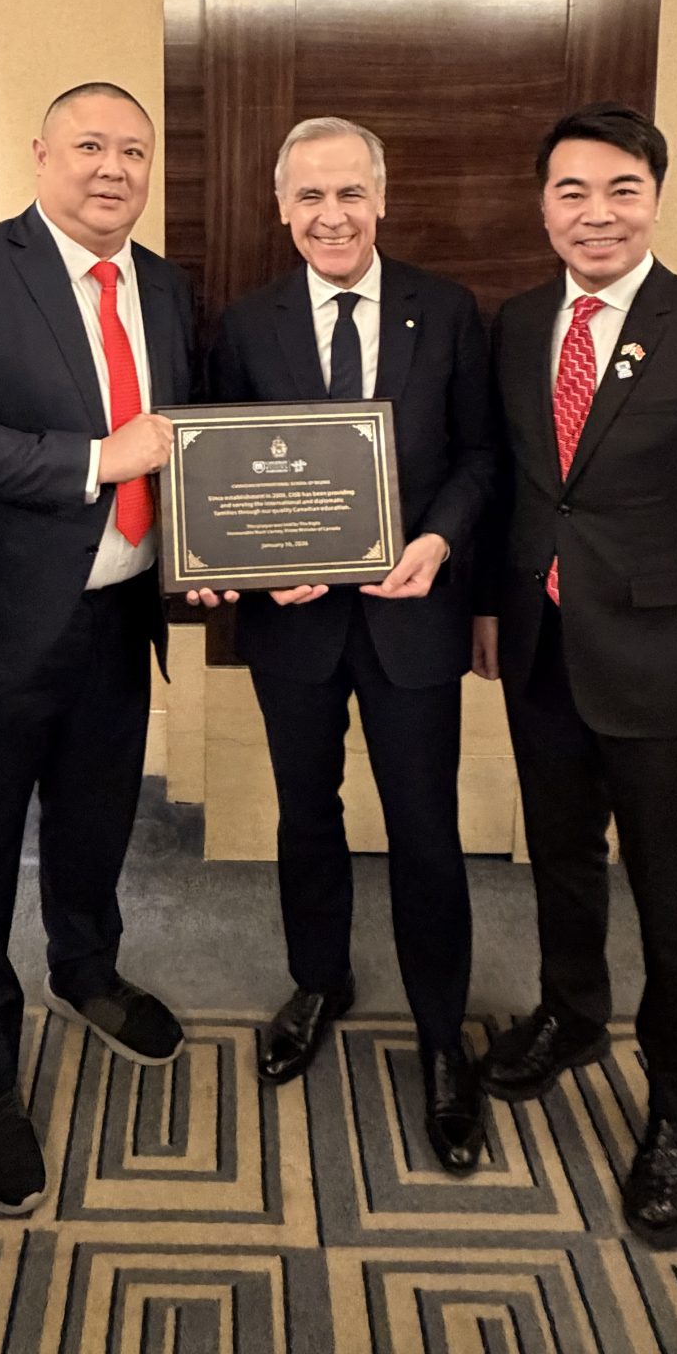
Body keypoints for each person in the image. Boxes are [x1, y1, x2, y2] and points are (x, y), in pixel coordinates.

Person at [473, 102, 677, 1247]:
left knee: (672, 891)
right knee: (560, 856)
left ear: (654, 198)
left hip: (663, 664)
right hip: (542, 648)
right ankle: (572, 1013)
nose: (596, 213)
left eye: (621, 190)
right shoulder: (518, 324)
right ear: (543, 204)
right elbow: (517, 486)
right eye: (572, 191)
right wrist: (491, 608)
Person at [0, 82, 196, 1213]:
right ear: (41, 155)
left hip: (120, 616)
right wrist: (100, 459)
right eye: (90, 145)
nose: (113, 168)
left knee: (96, 819)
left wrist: (215, 544)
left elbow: (191, 441)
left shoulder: (167, 285)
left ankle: (86, 968)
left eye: (133, 151)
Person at [199, 117, 495, 1173]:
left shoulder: (446, 310)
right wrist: (252, 563)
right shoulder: (247, 322)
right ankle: (320, 980)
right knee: (306, 815)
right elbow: (219, 470)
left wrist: (438, 539)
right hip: (296, 624)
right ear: (281, 208)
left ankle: (442, 1033)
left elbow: (480, 456)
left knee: (425, 827)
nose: (332, 215)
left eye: (350, 193)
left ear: (382, 198)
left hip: (414, 615)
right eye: (310, 197)